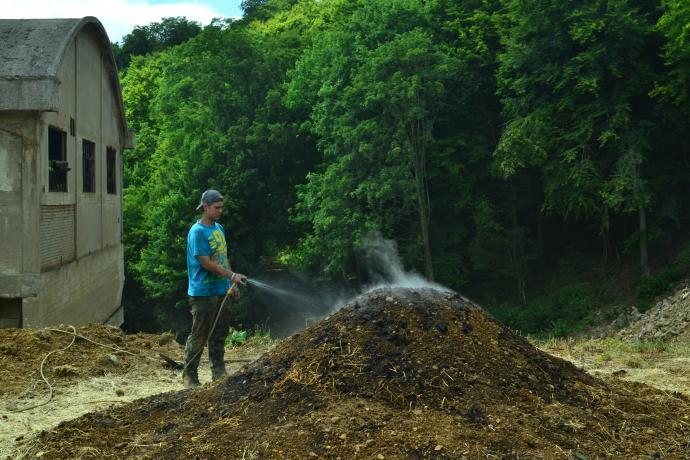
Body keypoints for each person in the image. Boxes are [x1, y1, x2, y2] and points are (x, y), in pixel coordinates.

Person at [183, 189, 247, 388]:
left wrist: (231, 282)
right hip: (202, 292)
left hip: (221, 289)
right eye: (216, 208)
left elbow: (222, 257)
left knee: (220, 333)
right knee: (200, 335)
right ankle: (189, 376)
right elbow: (206, 263)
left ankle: (218, 372)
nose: (220, 211)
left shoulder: (219, 228)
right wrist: (231, 275)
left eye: (221, 207)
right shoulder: (197, 232)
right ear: (205, 207)